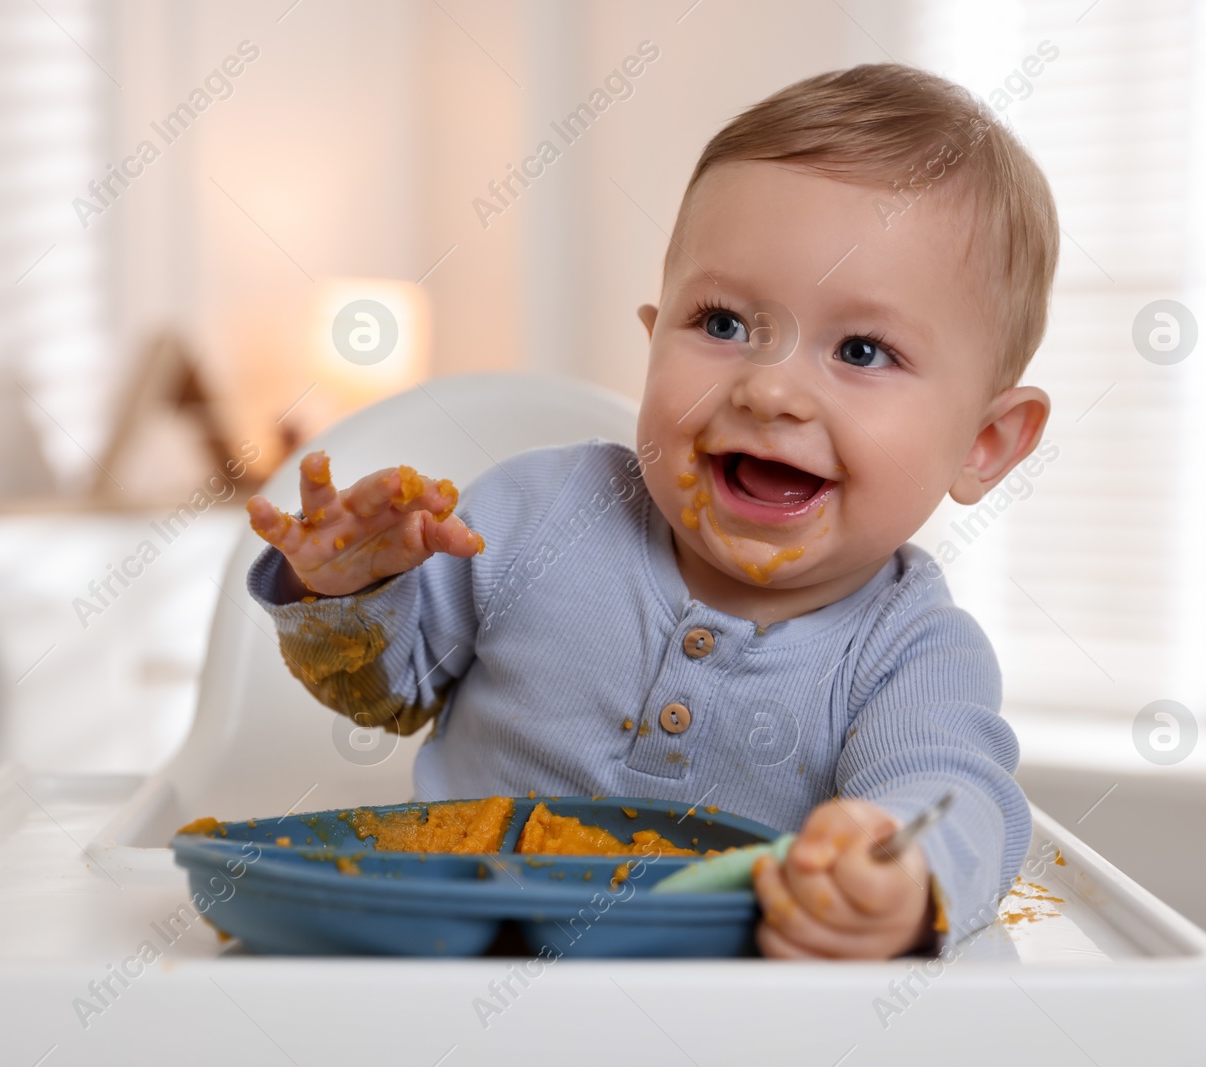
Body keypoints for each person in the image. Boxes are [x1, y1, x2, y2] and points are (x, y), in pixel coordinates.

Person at [245, 63, 1058, 959]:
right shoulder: (532, 516)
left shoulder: (912, 651)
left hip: (726, 1020)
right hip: (442, 972)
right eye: (721, 324)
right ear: (652, 338)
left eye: (861, 349)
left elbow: (957, 794)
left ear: (986, 443)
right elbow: (380, 689)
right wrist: (346, 590)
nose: (771, 388)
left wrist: (899, 876)